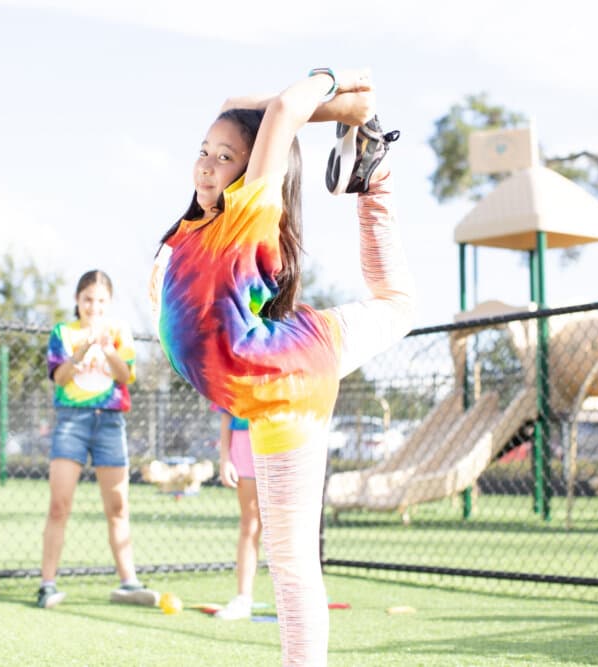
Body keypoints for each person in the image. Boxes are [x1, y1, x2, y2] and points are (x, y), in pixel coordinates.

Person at [150, 68, 414, 664]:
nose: (207, 165)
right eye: (204, 153)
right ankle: (367, 148)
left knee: (293, 566)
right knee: (288, 562)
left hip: (289, 379)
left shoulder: (250, 210)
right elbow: (234, 105)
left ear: (252, 173)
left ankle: (376, 173)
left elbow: (283, 111)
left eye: (224, 158)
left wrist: (348, 87)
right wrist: (347, 115)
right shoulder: (198, 223)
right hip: (266, 393)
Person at [37, 269, 159, 609]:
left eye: (101, 300)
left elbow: (126, 375)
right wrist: (80, 353)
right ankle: (47, 584)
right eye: (88, 299)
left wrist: (106, 350)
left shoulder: (119, 332)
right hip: (71, 422)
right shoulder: (63, 332)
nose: (94, 306)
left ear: (109, 303)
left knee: (118, 507)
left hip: (110, 423)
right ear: (77, 300)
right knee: (59, 505)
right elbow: (59, 379)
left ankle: (129, 582)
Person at [212, 405, 262, 621]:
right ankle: (243, 598)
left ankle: (296, 599)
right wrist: (225, 459)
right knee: (249, 525)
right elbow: (226, 410)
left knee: (286, 525)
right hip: (244, 442)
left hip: (285, 438)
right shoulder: (237, 370)